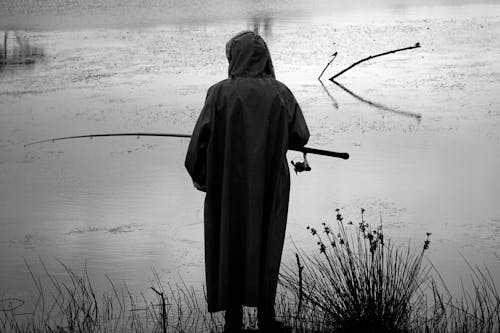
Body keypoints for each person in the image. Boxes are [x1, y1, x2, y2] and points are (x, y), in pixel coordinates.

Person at [185, 30, 309, 332]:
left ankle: (233, 322)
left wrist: (205, 180)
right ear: (264, 58)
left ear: (234, 58)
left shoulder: (218, 94)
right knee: (266, 242)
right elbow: (300, 136)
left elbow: (195, 152)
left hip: (227, 190)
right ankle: (266, 319)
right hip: (269, 187)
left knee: (230, 241)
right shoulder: (281, 92)